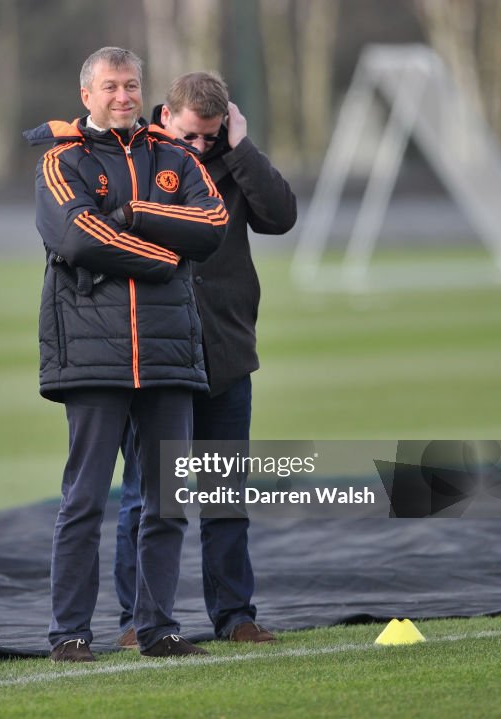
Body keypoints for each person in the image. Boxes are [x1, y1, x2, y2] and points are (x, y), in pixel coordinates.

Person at [24, 47, 228, 662]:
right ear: (86, 94)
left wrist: (137, 212)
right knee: (84, 501)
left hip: (167, 354)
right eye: (110, 86)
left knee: (166, 502)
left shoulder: (174, 156)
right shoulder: (61, 158)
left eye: (131, 86)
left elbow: (212, 224)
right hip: (92, 356)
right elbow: (75, 234)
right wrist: (165, 256)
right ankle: (70, 634)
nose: (122, 96)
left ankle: (158, 626)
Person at [113, 71, 297, 648]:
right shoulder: (130, 162)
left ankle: (235, 616)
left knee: (225, 497)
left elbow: (280, 215)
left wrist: (241, 149)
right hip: (157, 356)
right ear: (165, 116)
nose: (199, 149)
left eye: (210, 139)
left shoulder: (229, 161)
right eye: (191, 137)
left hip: (226, 351)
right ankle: (135, 622)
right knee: (147, 497)